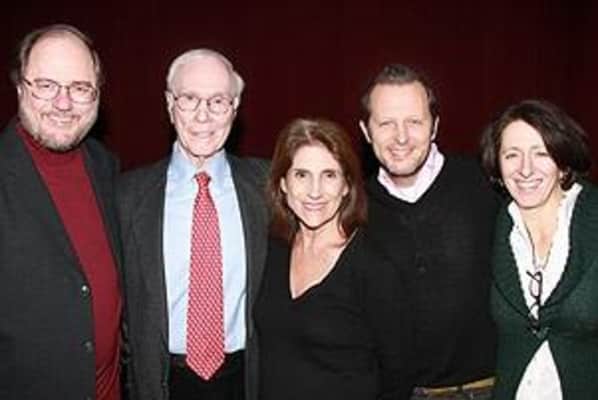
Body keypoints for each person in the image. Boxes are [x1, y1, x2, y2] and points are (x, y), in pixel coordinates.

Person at [118, 48, 269, 400]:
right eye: (189, 99)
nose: (203, 115)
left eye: (218, 101)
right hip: (160, 382)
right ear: (169, 104)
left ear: (235, 108)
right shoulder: (126, 196)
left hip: (246, 379)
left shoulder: (267, 186)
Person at [359, 64, 500, 399]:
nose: (401, 137)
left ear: (434, 126)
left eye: (414, 122)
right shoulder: (353, 208)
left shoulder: (486, 183)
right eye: (386, 123)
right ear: (365, 131)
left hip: (489, 388)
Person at [0, 24, 122, 400]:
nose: (64, 103)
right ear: (20, 87)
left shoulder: (106, 166)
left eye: (80, 88)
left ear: (97, 95)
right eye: (46, 85)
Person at [254, 118, 412, 400]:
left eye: (329, 175)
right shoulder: (271, 250)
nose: (315, 191)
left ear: (347, 185)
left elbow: (398, 377)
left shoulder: (373, 267)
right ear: (283, 183)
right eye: (301, 175)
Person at [480, 99, 597, 399]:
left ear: (563, 162)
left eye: (541, 153)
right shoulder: (492, 225)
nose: (525, 169)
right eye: (512, 155)